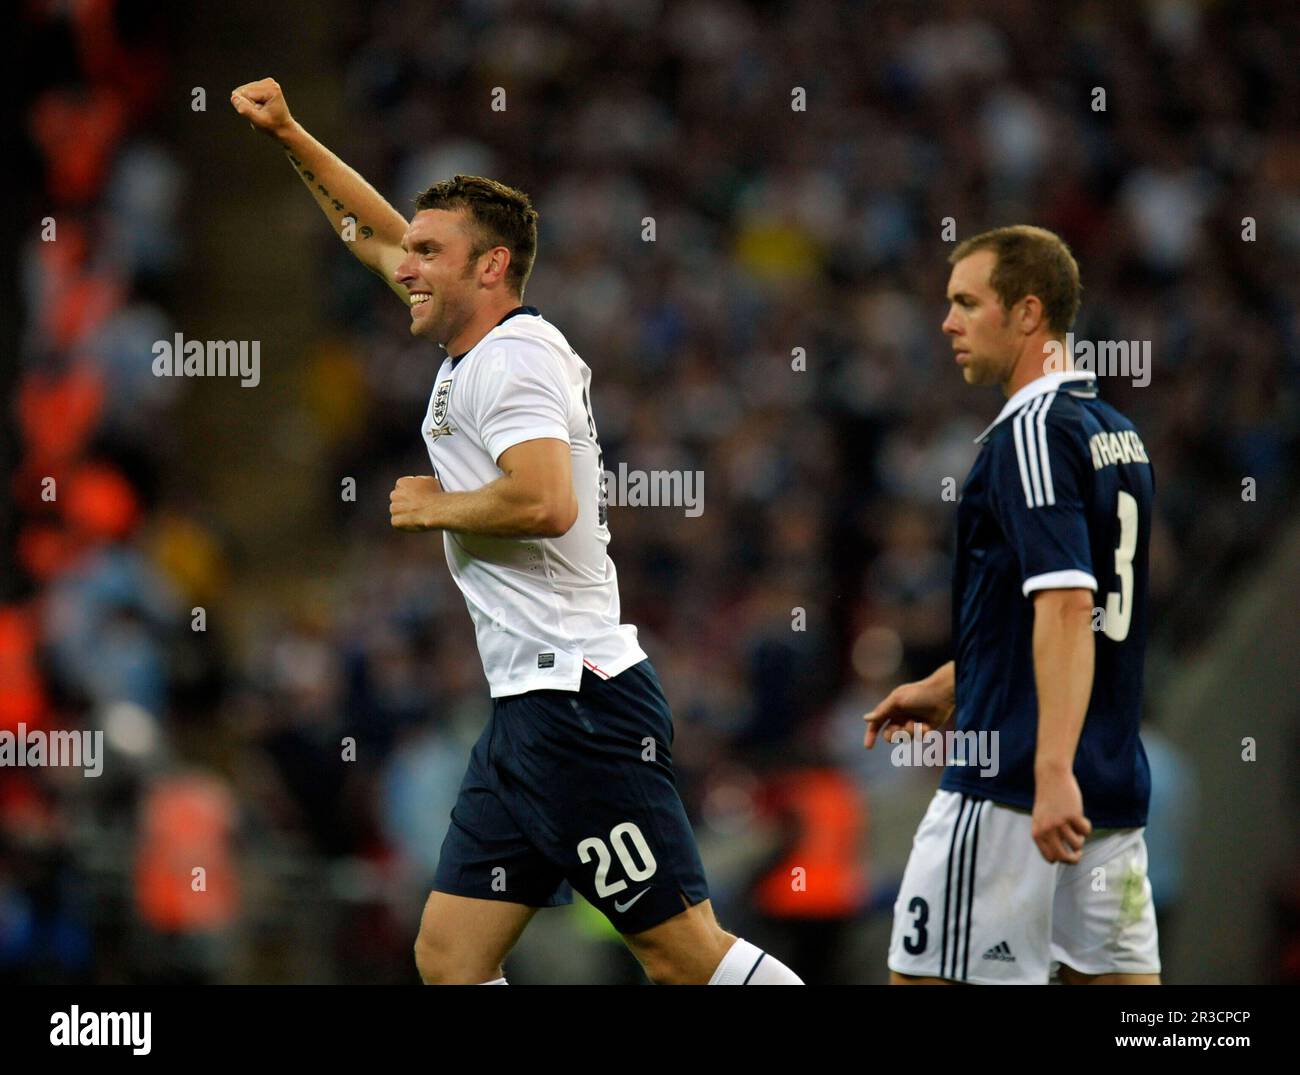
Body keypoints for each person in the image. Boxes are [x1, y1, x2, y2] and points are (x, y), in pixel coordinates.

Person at [230, 77, 802, 986]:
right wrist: (292, 135)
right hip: (524, 710)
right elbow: (372, 235)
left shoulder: (516, 358)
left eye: (431, 252)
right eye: (411, 250)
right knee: (451, 957)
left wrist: (436, 505)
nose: (405, 266)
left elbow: (544, 500)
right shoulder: (480, 350)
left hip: (577, 702)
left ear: (489, 267)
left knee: (682, 954)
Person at [864, 225, 1160, 985]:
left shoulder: (1029, 432)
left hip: (1015, 791)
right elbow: (1078, 613)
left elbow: (1065, 607)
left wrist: (1050, 768)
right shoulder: (1114, 433)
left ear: (1028, 313)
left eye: (967, 302)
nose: (948, 323)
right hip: (1109, 794)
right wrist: (955, 682)